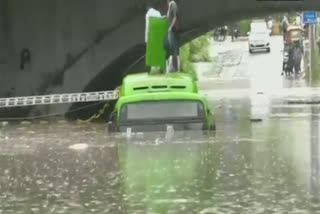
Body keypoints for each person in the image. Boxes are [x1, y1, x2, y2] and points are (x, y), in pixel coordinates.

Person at [164, 0, 180, 73]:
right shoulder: (170, 5)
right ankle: (172, 67)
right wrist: (165, 17)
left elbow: (174, 17)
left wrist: (170, 27)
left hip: (172, 30)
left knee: (173, 48)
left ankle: (175, 68)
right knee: (170, 47)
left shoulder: (173, 4)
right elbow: (169, 18)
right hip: (170, 30)